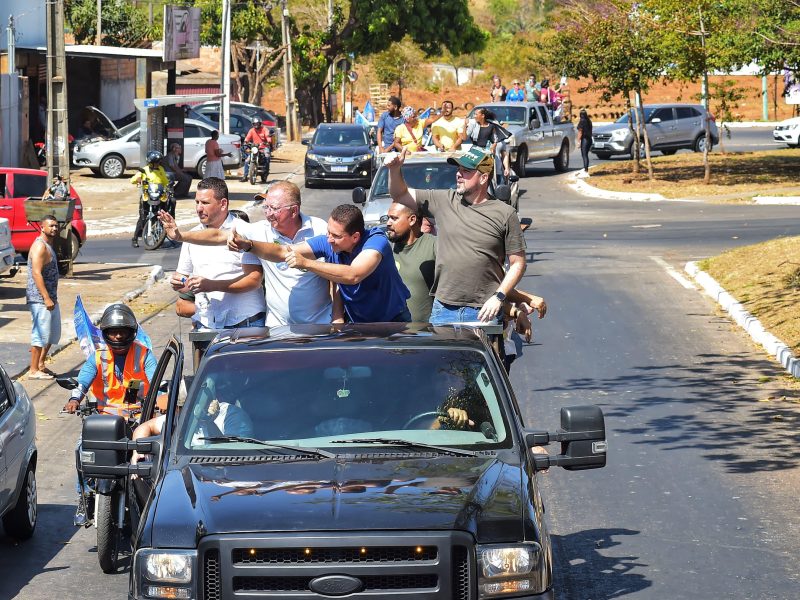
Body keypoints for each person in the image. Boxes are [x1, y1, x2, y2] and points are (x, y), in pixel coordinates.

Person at [163, 182, 340, 326]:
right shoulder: (258, 231)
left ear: (294, 210)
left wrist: (337, 318)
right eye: (265, 207)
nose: (268, 214)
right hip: (278, 327)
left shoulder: (320, 229)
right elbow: (217, 234)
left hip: (320, 325)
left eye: (274, 208)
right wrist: (181, 236)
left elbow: (337, 277)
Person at [387, 146, 526, 325]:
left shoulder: (505, 214)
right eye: (458, 170)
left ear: (483, 178)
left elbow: (518, 263)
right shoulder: (444, 200)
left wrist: (499, 297)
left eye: (466, 171)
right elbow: (399, 195)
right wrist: (394, 169)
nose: (459, 174)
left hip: (484, 311)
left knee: (482, 355)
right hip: (443, 309)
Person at [224, 204, 411, 323]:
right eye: (329, 232)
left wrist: (307, 263)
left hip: (392, 321)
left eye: (336, 236)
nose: (329, 239)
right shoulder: (327, 241)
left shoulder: (376, 241)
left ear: (355, 237)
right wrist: (248, 245)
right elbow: (282, 251)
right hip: (357, 322)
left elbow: (353, 275)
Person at [63, 303, 158, 525]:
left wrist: (162, 397)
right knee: (82, 449)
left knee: (153, 456)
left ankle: (152, 499)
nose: (117, 336)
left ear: (131, 333)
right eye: (113, 332)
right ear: (105, 333)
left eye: (122, 331)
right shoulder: (97, 356)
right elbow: (83, 380)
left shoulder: (144, 354)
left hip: (138, 419)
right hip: (104, 419)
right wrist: (74, 399)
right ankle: (85, 496)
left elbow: (157, 382)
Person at [170, 177, 267, 329]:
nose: (199, 208)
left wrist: (212, 285)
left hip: (245, 322)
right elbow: (184, 279)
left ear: (223, 204)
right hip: (207, 323)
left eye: (205, 203)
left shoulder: (243, 231)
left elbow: (254, 280)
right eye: (197, 202)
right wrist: (180, 283)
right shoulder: (192, 236)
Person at [385, 202, 436, 322]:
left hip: (424, 334)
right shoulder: (383, 248)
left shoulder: (433, 246)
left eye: (394, 218)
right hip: (389, 334)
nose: (388, 223)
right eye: (388, 218)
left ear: (412, 220)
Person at [26, 215, 61, 380]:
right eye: (51, 226)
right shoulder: (40, 247)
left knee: (52, 334)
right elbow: (36, 273)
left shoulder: (48, 245)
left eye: (56, 226)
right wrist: (46, 297)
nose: (54, 228)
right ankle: (33, 370)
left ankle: (41, 364)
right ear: (42, 227)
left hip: (51, 298)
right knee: (40, 334)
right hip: (41, 299)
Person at [130, 150, 171, 248]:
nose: (157, 164)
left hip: (159, 196)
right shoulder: (144, 170)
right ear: (150, 162)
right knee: (142, 217)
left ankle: (161, 234)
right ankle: (135, 238)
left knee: (165, 211)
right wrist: (138, 180)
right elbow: (133, 180)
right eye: (155, 163)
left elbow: (165, 182)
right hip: (147, 196)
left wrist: (169, 187)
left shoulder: (161, 169)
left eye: (158, 162)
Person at [240, 118, 274, 182]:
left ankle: (265, 173)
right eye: (254, 124)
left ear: (260, 123)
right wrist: (245, 142)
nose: (256, 125)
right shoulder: (252, 130)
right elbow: (247, 138)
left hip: (264, 147)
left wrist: (268, 141)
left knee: (267, 157)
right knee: (247, 160)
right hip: (255, 148)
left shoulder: (264, 129)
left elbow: (268, 137)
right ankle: (245, 176)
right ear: (252, 124)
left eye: (257, 123)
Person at [577, 109, 593, 174]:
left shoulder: (582, 121)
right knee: (586, 155)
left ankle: (586, 170)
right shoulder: (589, 121)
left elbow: (580, 132)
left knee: (584, 155)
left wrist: (578, 141)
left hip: (585, 140)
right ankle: (586, 169)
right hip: (589, 140)